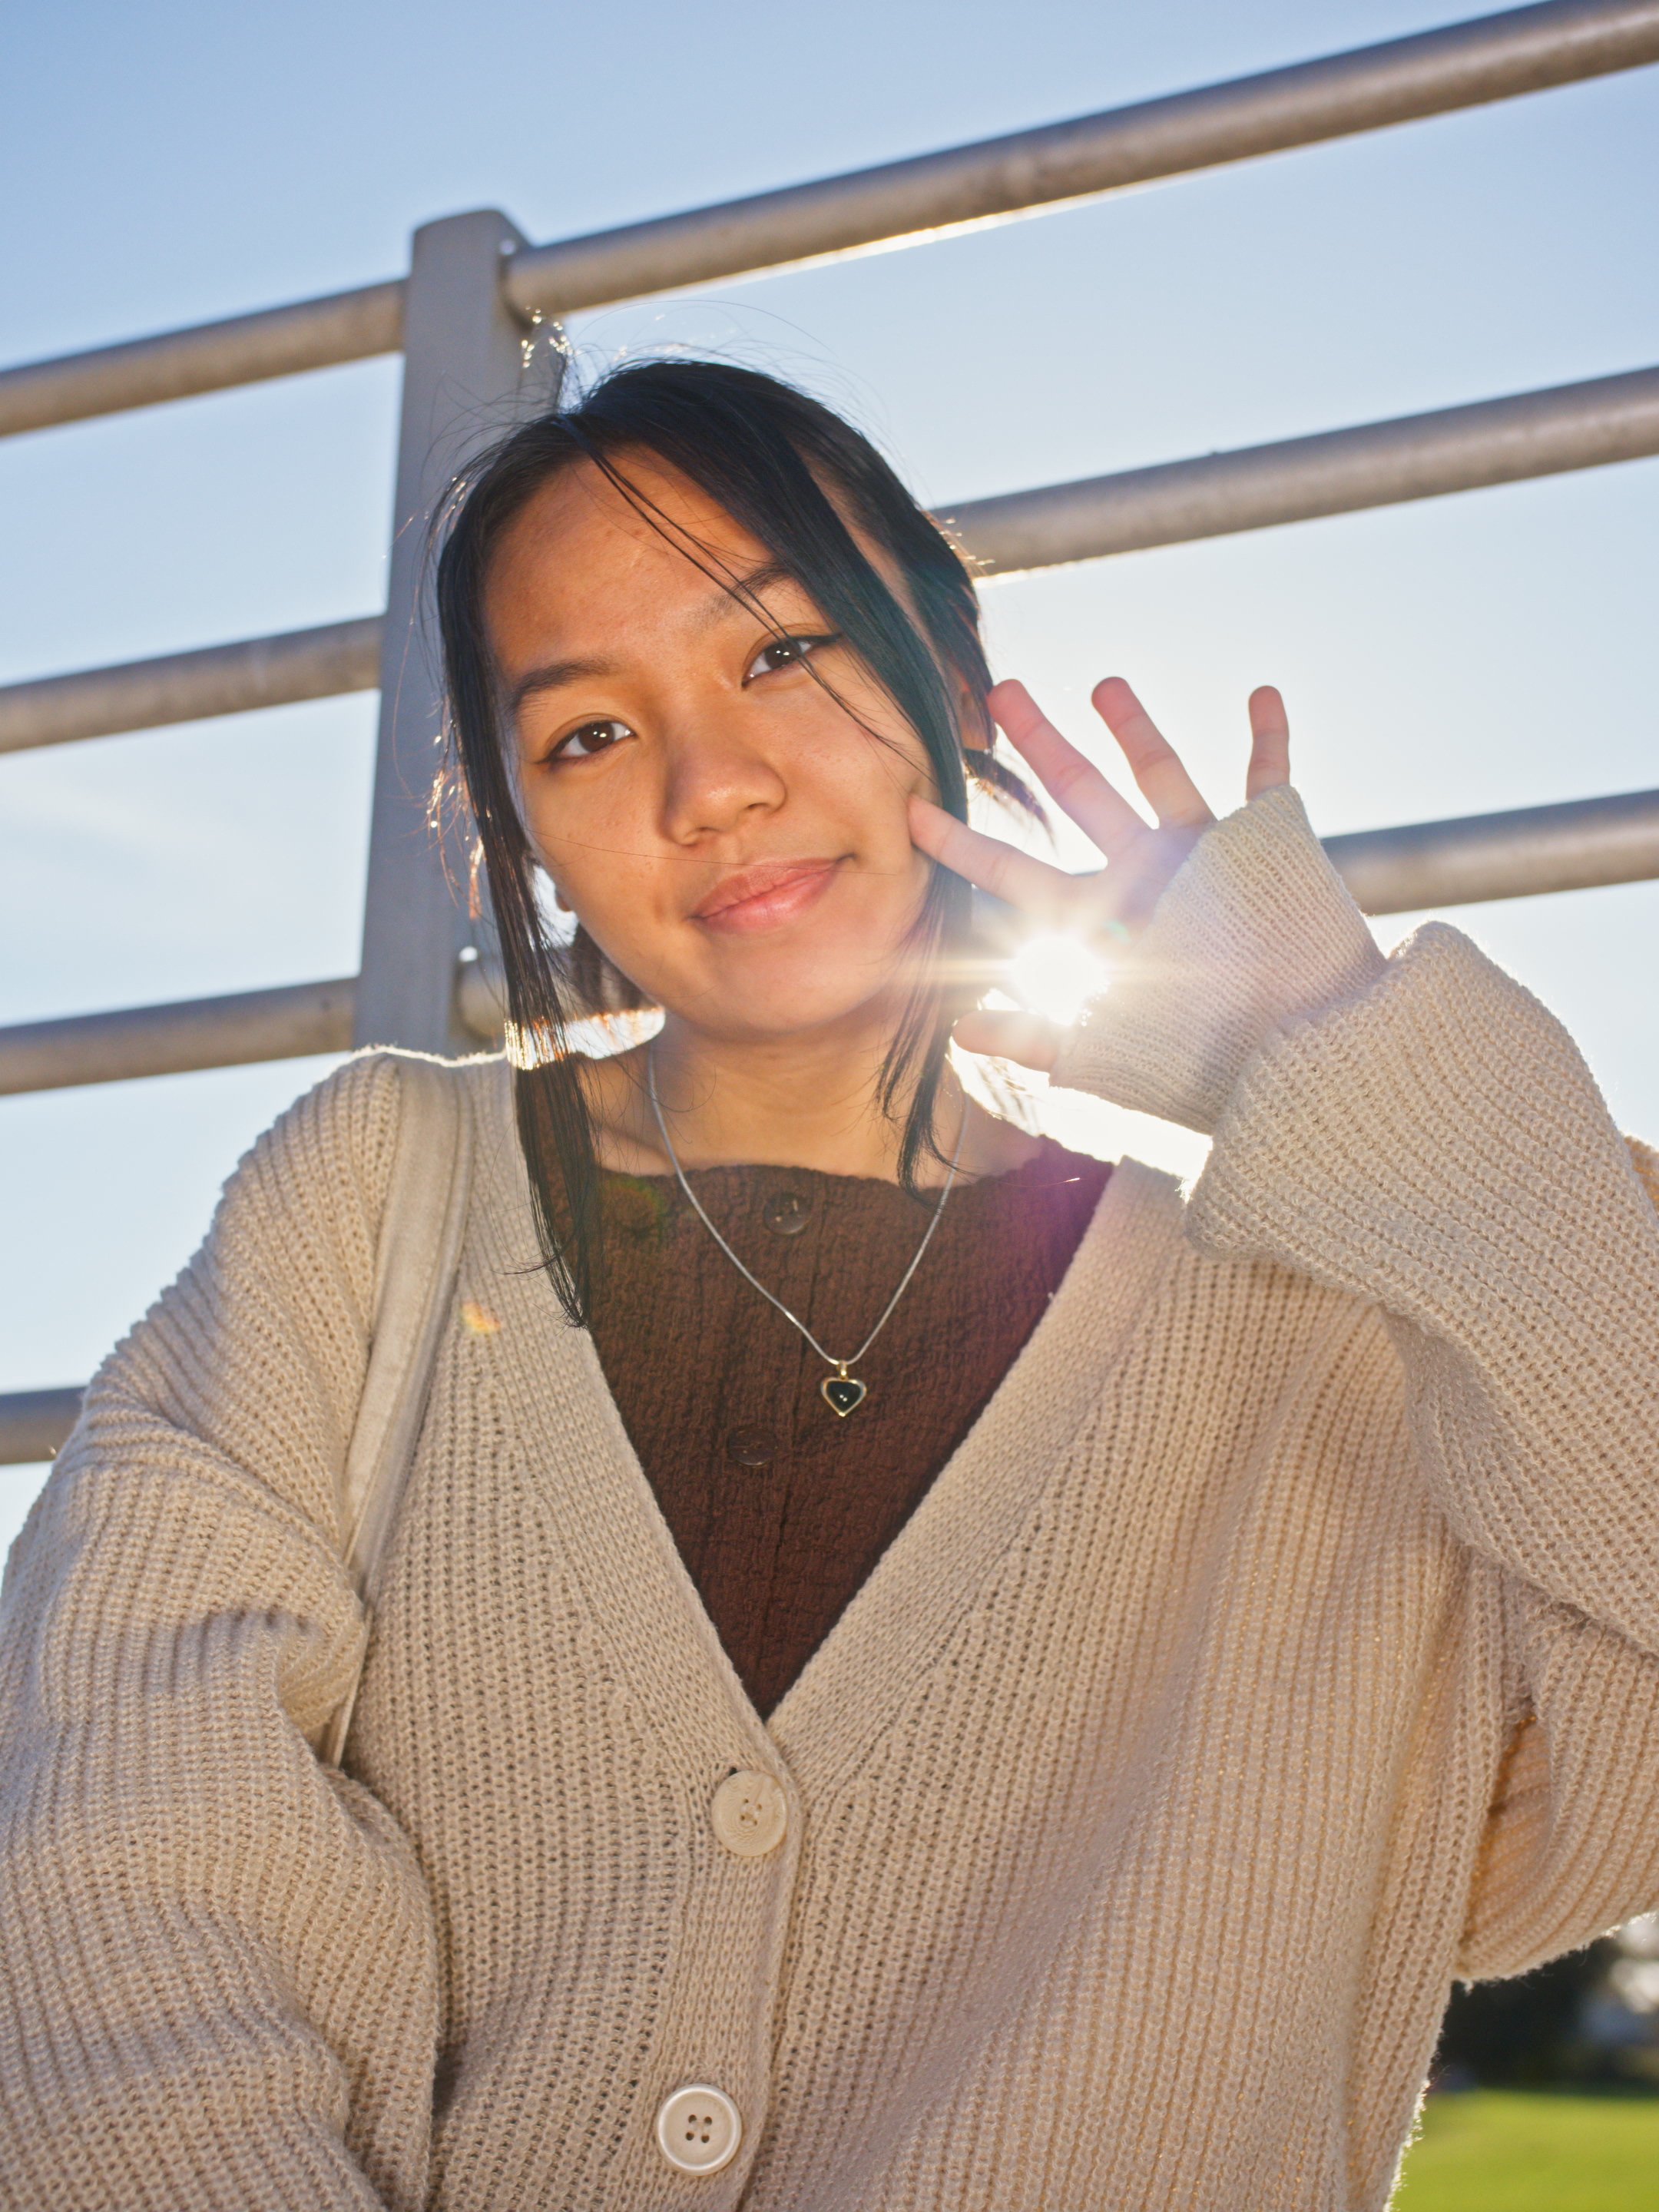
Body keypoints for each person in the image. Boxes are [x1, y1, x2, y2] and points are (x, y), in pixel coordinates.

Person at [2, 360, 1656, 2212]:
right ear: (522, 844)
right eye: (588, 738)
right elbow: (120, 1872)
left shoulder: (1327, 1337)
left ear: (951, 680)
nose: (715, 786)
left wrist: (1335, 1051)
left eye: (780, 653)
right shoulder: (364, 1208)